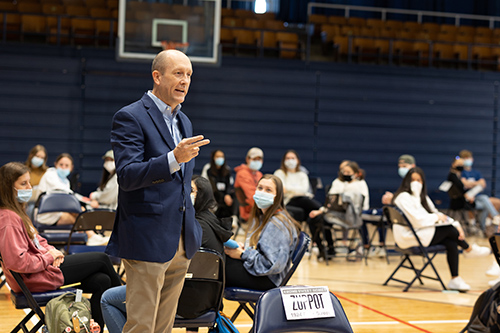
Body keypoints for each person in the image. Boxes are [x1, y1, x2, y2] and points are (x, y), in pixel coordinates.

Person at [106, 49, 210, 333]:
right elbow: (127, 176)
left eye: (189, 75)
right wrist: (173, 159)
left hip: (181, 239)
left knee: (164, 326)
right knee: (141, 325)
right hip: (146, 236)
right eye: (178, 73)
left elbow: (181, 183)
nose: (185, 81)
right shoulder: (130, 116)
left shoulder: (183, 121)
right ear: (157, 76)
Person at [101, 175, 232, 333]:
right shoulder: (212, 222)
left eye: (190, 190)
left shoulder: (192, 228)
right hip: (207, 301)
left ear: (202, 195)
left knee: (107, 299)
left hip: (178, 296)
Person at [0, 162, 121, 329]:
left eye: (29, 182)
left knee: (102, 281)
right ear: (8, 187)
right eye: (23, 183)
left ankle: (94, 329)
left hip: (42, 269)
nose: (29, 187)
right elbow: (18, 262)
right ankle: (127, 306)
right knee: (101, 259)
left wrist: (52, 250)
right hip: (34, 278)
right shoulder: (8, 219)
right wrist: (49, 257)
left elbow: (37, 240)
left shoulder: (17, 212)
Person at [392, 167, 490, 291]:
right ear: (406, 181)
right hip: (409, 237)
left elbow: (437, 213)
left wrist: (456, 224)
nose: (416, 183)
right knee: (448, 230)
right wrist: (439, 219)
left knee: (451, 242)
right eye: (413, 180)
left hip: (421, 233)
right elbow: (418, 221)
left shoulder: (423, 197)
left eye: (419, 180)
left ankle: (455, 279)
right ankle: (469, 249)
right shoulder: (403, 197)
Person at [224, 174, 300, 291]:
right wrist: (245, 250)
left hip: (267, 279)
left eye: (268, 190)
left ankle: (211, 308)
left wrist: (242, 254)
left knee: (217, 267)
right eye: (260, 188)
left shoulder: (277, 224)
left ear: (277, 196)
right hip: (261, 273)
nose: (262, 192)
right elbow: (263, 250)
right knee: (218, 260)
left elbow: (270, 265)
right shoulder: (264, 217)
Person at [36, 153, 107, 246]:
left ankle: (92, 236)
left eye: (66, 165)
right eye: (61, 165)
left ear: (71, 168)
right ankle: (92, 236)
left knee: (80, 213)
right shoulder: (50, 174)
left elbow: (69, 194)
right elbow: (66, 194)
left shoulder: (66, 181)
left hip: (58, 213)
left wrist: (87, 201)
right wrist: (88, 201)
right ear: (55, 164)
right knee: (79, 216)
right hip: (46, 215)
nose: (63, 167)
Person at [309, 161, 369, 258]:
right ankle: (325, 248)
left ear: (355, 173)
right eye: (343, 172)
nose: (345, 174)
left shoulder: (360, 184)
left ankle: (330, 248)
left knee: (322, 220)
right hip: (334, 214)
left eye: (348, 172)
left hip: (352, 216)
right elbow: (330, 202)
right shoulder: (337, 182)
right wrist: (320, 211)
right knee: (314, 220)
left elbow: (363, 205)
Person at [458, 149, 500, 232]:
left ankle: (485, 225)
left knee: (486, 199)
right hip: (468, 199)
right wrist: (477, 183)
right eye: (465, 158)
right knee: (485, 200)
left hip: (477, 197)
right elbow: (465, 183)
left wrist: (471, 183)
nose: (468, 160)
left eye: (469, 158)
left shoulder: (476, 172)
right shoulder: (461, 172)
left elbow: (483, 184)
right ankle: (493, 219)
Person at [273, 150, 321, 222]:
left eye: (293, 158)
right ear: (284, 161)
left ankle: (315, 229)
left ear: (297, 160)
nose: (290, 160)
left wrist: (289, 190)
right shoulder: (279, 173)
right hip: (287, 201)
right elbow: (282, 190)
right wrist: (297, 190)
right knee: (305, 202)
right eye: (288, 158)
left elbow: (304, 190)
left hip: (302, 201)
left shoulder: (302, 174)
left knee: (312, 213)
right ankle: (322, 209)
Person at [233, 147, 264, 222]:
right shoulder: (242, 174)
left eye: (259, 159)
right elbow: (251, 196)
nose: (257, 162)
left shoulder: (259, 174)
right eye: (254, 159)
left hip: (258, 209)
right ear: (247, 159)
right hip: (248, 213)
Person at [203, 150, 235, 218]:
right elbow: (210, 186)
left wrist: (227, 195)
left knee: (235, 196)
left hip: (226, 195)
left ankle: (234, 217)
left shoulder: (227, 170)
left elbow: (229, 184)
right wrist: (224, 197)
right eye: (217, 156)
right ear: (213, 158)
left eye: (221, 157)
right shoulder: (208, 169)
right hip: (214, 194)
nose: (220, 158)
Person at [24, 144, 49, 218]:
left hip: (42, 201)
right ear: (31, 155)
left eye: (42, 158)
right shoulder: (23, 170)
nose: (39, 159)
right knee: (30, 208)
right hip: (27, 201)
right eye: (37, 156)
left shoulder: (47, 172)